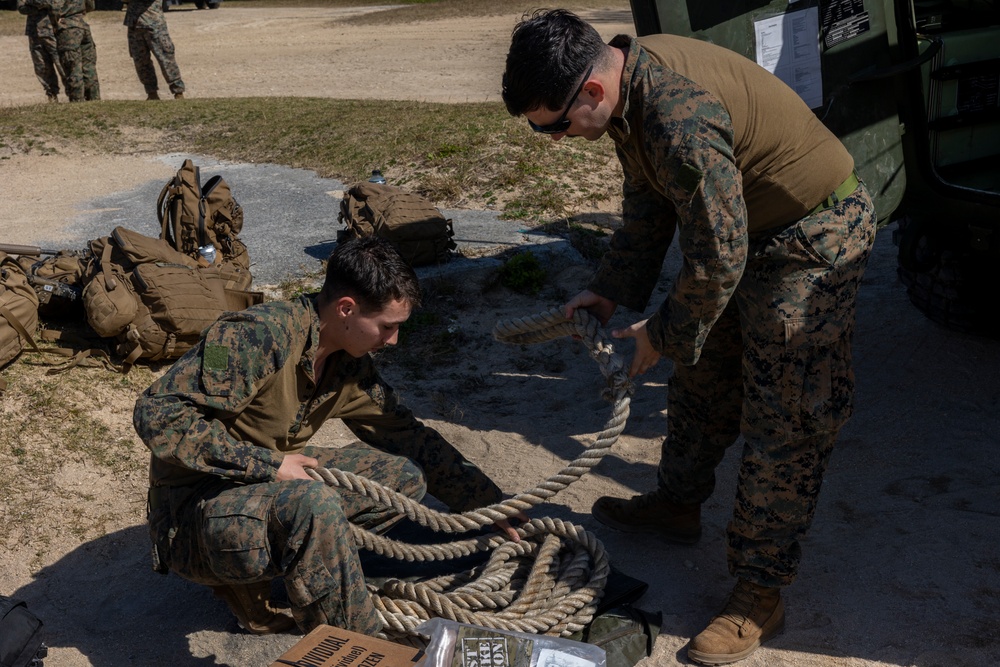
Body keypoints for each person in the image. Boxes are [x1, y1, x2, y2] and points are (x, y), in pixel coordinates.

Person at [502, 9, 876, 665]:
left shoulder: (676, 115)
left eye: (555, 125)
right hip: (748, 232)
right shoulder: (624, 86)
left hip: (812, 234)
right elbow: (649, 202)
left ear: (590, 91)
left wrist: (667, 329)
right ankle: (678, 504)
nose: (556, 140)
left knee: (783, 411)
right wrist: (612, 288)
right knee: (704, 373)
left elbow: (719, 251)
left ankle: (760, 590)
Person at [134, 235, 515, 636]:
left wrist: (491, 504)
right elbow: (157, 413)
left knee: (404, 476)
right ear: (346, 309)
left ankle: (331, 569)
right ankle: (353, 645)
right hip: (194, 517)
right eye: (387, 326)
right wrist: (271, 464)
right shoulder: (255, 336)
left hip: (265, 489)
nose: (393, 340)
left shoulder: (348, 363)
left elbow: (406, 434)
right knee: (311, 504)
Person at [123, 0, 186, 100]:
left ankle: (178, 91)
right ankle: (151, 93)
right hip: (134, 24)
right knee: (141, 61)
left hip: (153, 23)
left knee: (165, 59)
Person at [44, 0, 100, 102]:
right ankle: (94, 100)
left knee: (73, 68)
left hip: (67, 28)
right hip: (82, 26)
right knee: (88, 67)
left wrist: (56, 22)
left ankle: (77, 102)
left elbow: (54, 7)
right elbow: (91, 5)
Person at [17, 0, 64, 103]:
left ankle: (74, 94)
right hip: (34, 33)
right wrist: (39, 7)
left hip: (52, 30)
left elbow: (49, 3)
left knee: (61, 62)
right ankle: (52, 96)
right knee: (41, 66)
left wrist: (31, 2)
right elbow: (21, 8)